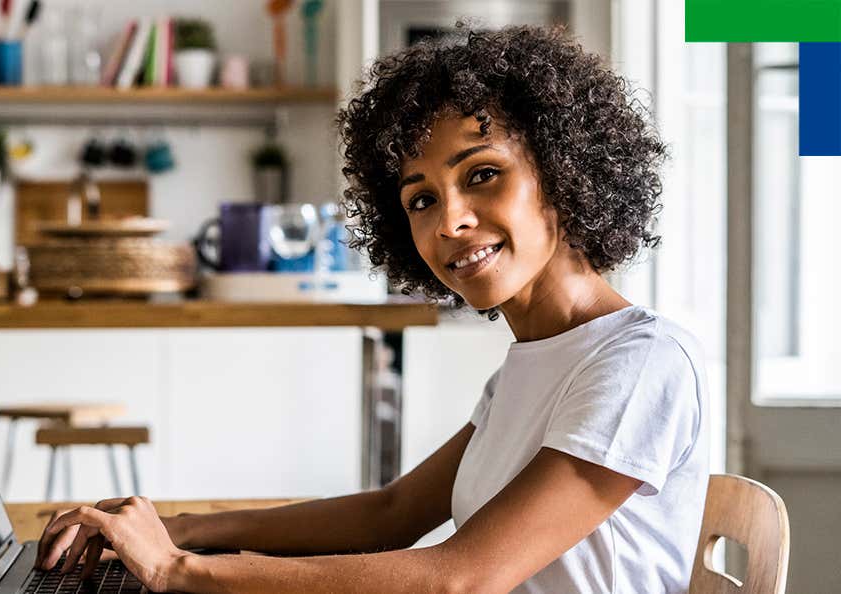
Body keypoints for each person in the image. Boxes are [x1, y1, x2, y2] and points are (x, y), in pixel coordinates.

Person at [36, 25, 709, 593]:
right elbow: (390, 513)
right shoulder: (528, 369)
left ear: (564, 172)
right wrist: (177, 529)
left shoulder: (640, 363)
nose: (450, 222)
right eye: (421, 199)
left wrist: (182, 570)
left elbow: (462, 578)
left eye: (482, 175)